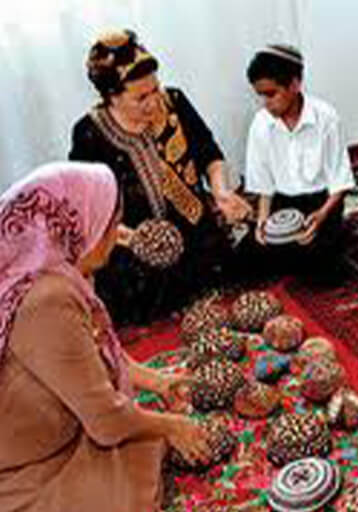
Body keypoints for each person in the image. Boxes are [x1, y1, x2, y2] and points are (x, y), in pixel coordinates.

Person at [0, 162, 210, 511]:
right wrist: (171, 426)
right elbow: (106, 423)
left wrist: (159, 382)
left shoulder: (48, 271)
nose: (117, 235)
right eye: (110, 225)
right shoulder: (47, 300)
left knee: (141, 437)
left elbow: (93, 349)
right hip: (28, 465)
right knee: (134, 456)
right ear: (75, 225)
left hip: (49, 424)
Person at [69, 29, 254, 326]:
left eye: (155, 89)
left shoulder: (175, 102)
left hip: (192, 230)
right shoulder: (90, 133)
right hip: (134, 243)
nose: (154, 102)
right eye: (140, 97)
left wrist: (221, 192)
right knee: (139, 296)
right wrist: (138, 240)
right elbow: (87, 208)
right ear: (110, 97)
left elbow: (209, 153)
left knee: (243, 255)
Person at [244, 44, 355, 283]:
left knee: (325, 271)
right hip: (282, 206)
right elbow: (264, 184)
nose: (266, 103)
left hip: (320, 203)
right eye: (261, 96)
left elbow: (340, 181)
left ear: (294, 85)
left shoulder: (326, 117)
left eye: (271, 94)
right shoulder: (260, 124)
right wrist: (263, 221)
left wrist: (322, 215)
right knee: (245, 259)